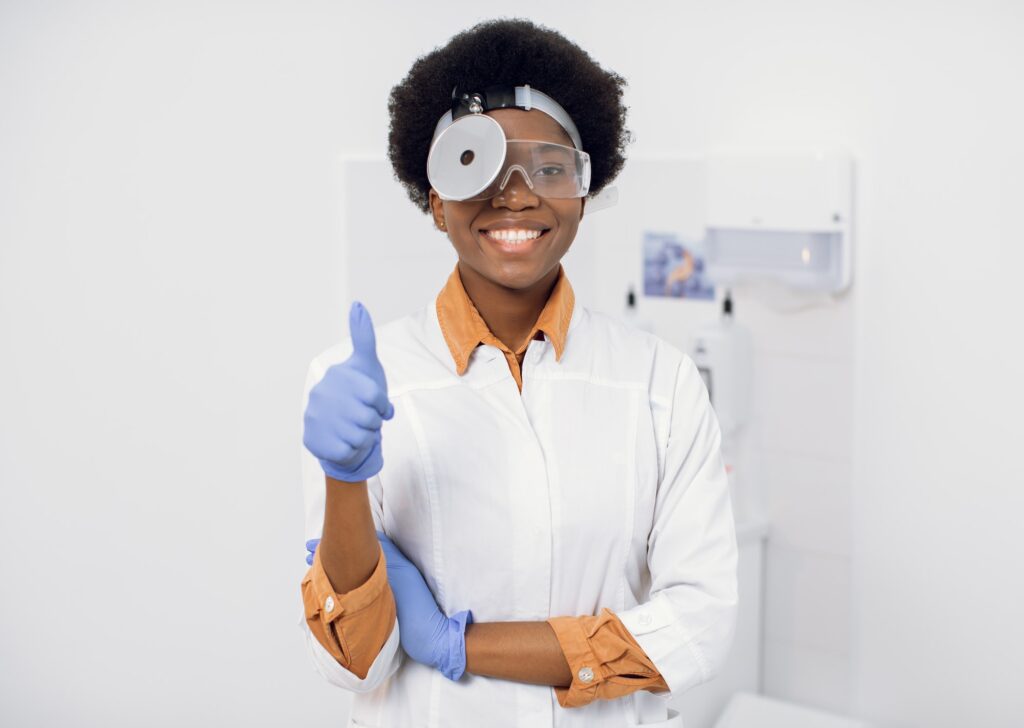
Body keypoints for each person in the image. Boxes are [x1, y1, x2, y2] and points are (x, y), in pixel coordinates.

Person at [298, 18, 738, 728]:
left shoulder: (661, 382)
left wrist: (457, 644)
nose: (516, 194)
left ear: (583, 194)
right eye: (475, 165)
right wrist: (343, 481)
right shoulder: (359, 383)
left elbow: (698, 627)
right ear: (435, 199)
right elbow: (356, 663)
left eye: (549, 167)